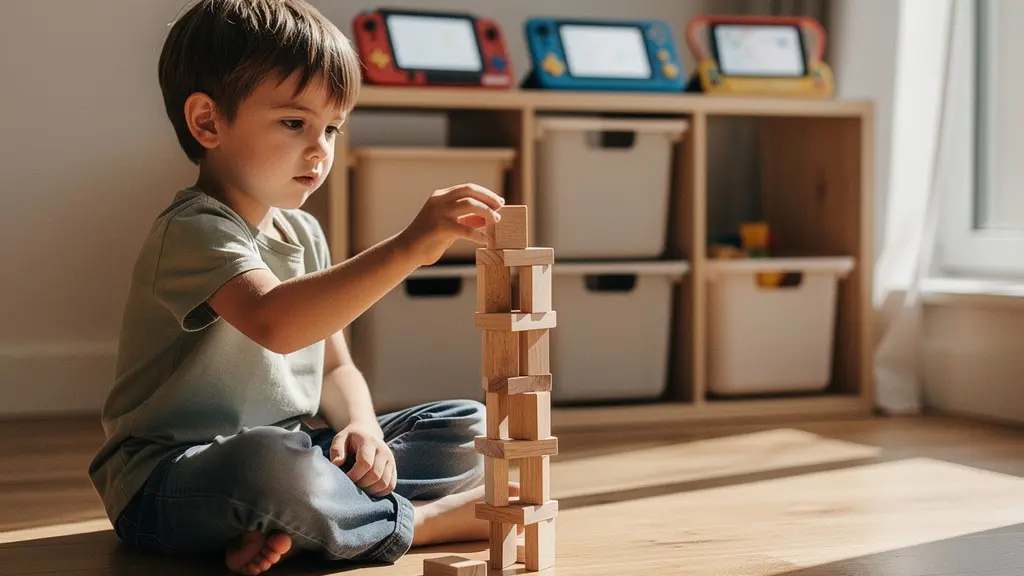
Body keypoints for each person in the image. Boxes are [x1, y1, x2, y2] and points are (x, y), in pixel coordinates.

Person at [87, 1, 515, 574]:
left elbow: (336, 369)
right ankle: (422, 522)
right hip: (169, 479)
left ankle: (295, 523)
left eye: (332, 128)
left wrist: (361, 427)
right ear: (208, 122)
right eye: (295, 123)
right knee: (268, 465)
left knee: (466, 424)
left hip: (292, 458)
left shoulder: (304, 231)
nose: (320, 150)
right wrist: (411, 245)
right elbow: (276, 323)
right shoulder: (192, 230)